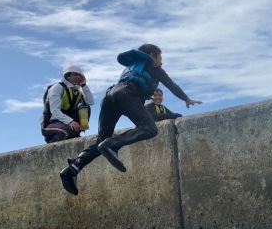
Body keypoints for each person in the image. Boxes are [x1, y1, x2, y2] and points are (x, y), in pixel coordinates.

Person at [59, 44, 201, 195]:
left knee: (101, 139)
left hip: (110, 95)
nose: (162, 62)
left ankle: (72, 170)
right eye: (160, 58)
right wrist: (186, 99)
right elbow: (172, 85)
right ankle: (112, 145)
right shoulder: (155, 69)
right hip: (126, 93)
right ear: (152, 56)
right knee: (149, 128)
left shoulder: (133, 66)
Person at [40, 65, 94, 143]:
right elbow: (54, 110)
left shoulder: (76, 91)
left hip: (66, 122)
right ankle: (51, 139)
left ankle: (75, 133)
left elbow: (90, 102)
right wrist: (70, 121)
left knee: (86, 107)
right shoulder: (57, 88)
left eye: (80, 75)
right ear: (67, 76)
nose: (78, 77)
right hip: (50, 124)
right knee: (67, 131)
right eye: (75, 74)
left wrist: (84, 86)